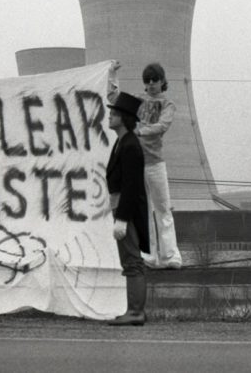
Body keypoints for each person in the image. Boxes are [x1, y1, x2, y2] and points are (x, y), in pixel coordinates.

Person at [108, 62, 182, 269]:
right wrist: (112, 74)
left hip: (155, 163)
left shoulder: (167, 105)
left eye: (154, 80)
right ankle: (148, 255)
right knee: (143, 210)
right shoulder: (138, 101)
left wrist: (141, 131)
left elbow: (162, 126)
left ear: (162, 81)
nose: (150, 84)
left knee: (163, 208)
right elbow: (115, 99)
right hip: (136, 164)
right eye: (147, 81)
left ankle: (170, 255)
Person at [105, 91, 150, 326]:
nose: (109, 116)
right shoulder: (122, 142)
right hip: (120, 208)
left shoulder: (130, 145)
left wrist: (122, 219)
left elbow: (132, 186)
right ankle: (134, 309)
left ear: (123, 117)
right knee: (130, 261)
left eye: (113, 113)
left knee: (132, 261)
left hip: (126, 211)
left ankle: (135, 311)